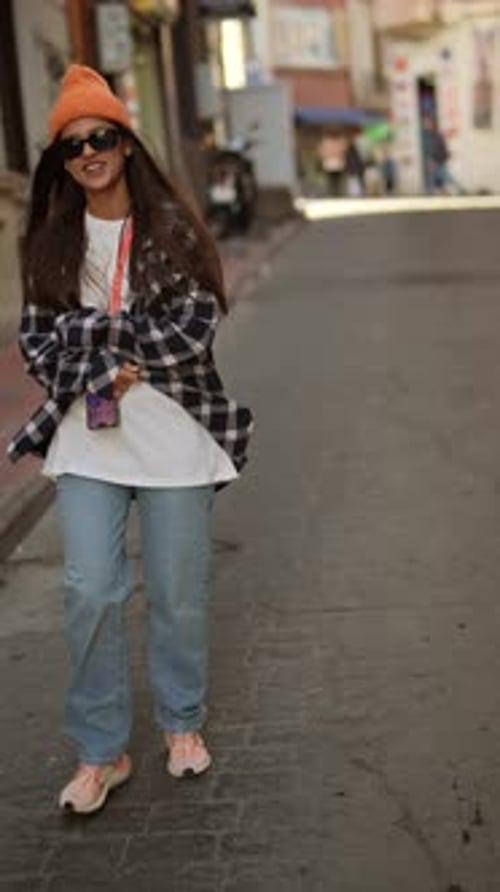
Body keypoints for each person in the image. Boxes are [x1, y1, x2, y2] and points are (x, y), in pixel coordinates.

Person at [7, 65, 253, 815]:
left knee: (177, 594)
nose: (89, 152)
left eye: (101, 136)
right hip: (88, 436)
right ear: (61, 161)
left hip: (174, 435)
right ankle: (100, 751)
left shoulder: (171, 229)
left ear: (126, 143)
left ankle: (182, 722)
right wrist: (112, 352)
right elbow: (39, 345)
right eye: (73, 144)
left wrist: (94, 335)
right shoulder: (51, 242)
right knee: (88, 589)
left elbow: (194, 326)